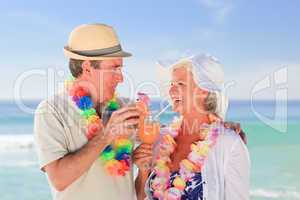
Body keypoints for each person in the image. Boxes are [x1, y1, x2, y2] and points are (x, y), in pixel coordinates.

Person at [34, 23, 140, 200]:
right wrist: (106, 135)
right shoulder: (51, 111)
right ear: (87, 67)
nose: (121, 78)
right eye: (114, 68)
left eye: (121, 69)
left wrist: (144, 165)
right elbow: (59, 179)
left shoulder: (126, 108)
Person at [134, 54, 250, 200]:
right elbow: (139, 197)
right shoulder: (160, 139)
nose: (171, 92)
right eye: (171, 85)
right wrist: (143, 171)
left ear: (204, 91)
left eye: (180, 84)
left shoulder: (229, 143)